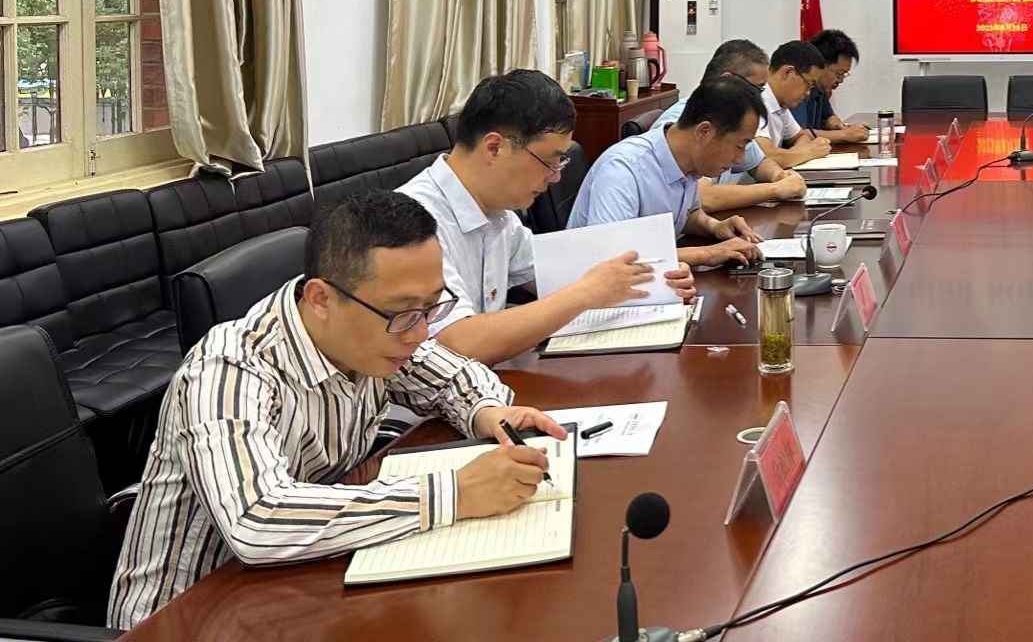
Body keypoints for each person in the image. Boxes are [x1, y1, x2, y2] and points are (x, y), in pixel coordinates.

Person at [107, 192, 568, 628]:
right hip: (186, 617)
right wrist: (453, 493)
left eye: (431, 309)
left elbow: (452, 378)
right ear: (321, 300)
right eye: (404, 314)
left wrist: (487, 411)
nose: (419, 333)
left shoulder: (370, 334)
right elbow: (258, 521)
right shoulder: (229, 369)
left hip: (299, 587)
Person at [398, 70, 694, 367]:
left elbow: (558, 276)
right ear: (494, 147)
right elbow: (457, 343)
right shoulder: (412, 225)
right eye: (550, 161)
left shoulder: (499, 215)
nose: (555, 177)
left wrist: (657, 280)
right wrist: (585, 293)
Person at [567, 77, 766, 266]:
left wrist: (714, 226)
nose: (740, 159)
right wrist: (708, 253)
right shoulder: (623, 169)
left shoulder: (689, 163)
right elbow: (614, 258)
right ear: (704, 132)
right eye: (740, 146)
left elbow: (685, 215)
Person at [655, 39, 807, 212]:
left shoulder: (732, 119)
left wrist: (780, 176)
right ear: (728, 81)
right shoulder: (685, 122)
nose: (760, 97)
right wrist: (775, 189)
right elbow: (703, 198)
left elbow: (758, 162)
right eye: (757, 89)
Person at [753, 39, 835, 169]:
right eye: (809, 84)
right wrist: (809, 152)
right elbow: (765, 157)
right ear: (788, 72)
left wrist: (794, 155)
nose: (808, 93)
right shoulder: (756, 100)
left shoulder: (781, 104)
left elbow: (802, 136)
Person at [795, 28, 869, 143]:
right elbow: (799, 134)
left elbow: (828, 117)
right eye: (839, 73)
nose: (841, 80)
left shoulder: (821, 88)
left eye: (845, 74)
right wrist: (845, 135)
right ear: (820, 64)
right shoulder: (799, 87)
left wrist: (837, 125)